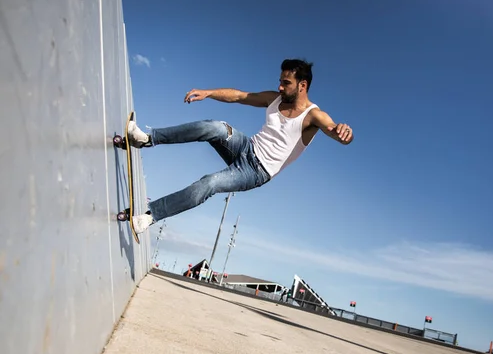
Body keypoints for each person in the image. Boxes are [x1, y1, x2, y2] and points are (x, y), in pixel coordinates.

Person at [125, 59, 354, 233]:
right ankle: (146, 139)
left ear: (302, 85)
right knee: (216, 127)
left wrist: (344, 134)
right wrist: (209, 93)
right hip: (245, 147)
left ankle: (150, 216)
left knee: (210, 183)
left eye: (286, 83)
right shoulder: (273, 99)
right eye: (280, 82)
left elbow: (334, 130)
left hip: (256, 172)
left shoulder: (313, 115)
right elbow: (240, 96)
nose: (280, 87)